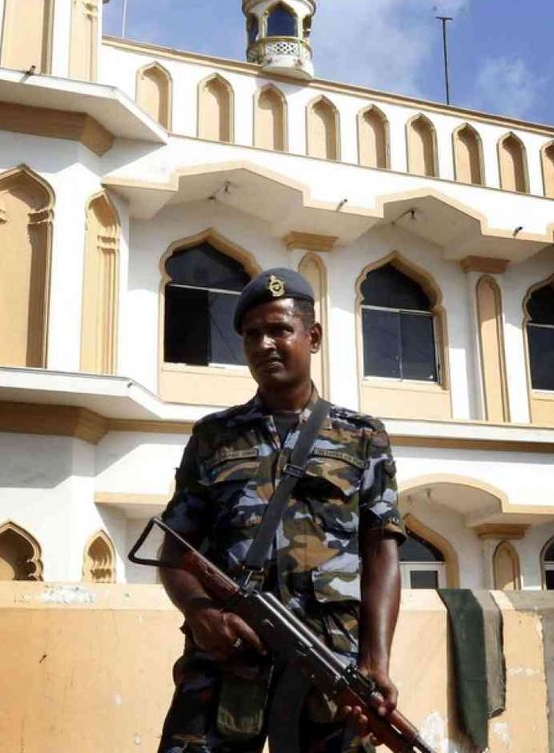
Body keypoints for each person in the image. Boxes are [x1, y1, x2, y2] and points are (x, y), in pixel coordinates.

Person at [157, 268, 407, 753]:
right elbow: (173, 551)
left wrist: (377, 662)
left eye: (279, 330)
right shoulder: (214, 436)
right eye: (252, 334)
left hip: (329, 661)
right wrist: (201, 612)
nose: (265, 344)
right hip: (227, 660)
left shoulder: (361, 436)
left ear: (311, 337)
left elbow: (382, 552)